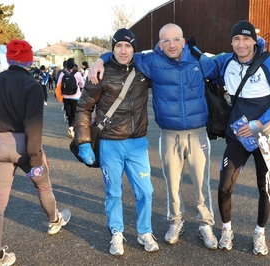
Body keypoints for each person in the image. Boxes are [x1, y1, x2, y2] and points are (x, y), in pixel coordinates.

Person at [89, 23, 219, 250]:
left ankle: (205, 224)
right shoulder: (150, 61)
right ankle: (175, 221)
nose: (171, 44)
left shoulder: (199, 61)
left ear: (183, 41)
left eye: (176, 39)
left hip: (198, 133)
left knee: (202, 183)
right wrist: (101, 58)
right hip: (169, 134)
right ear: (159, 44)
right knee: (172, 183)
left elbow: (223, 65)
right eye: (166, 40)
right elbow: (123, 51)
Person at [0, 39, 71, 266]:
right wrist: (35, 159)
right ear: (29, 60)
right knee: (43, 186)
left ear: (9, 58)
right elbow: (33, 126)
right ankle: (54, 220)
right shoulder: (32, 86)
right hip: (26, 147)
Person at [214, 20, 270, 255]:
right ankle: (226, 229)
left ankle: (260, 233)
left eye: (246, 39)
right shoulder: (224, 62)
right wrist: (106, 60)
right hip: (237, 136)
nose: (241, 44)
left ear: (253, 41)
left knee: (265, 187)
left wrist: (258, 124)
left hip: (266, 135)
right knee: (224, 187)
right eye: (236, 39)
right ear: (231, 42)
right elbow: (195, 61)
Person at [75, 28, 158, 256]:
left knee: (146, 192)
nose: (123, 50)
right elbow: (84, 108)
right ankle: (117, 233)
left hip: (137, 143)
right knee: (114, 192)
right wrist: (83, 142)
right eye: (119, 46)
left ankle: (144, 232)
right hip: (110, 143)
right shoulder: (99, 74)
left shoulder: (143, 70)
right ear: (112, 48)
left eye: (128, 46)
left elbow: (164, 53)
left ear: (134, 49)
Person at [56, 58, 85, 138]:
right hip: (76, 96)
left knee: (69, 114)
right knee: (76, 113)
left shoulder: (62, 73)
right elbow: (82, 84)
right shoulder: (77, 73)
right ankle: (72, 128)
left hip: (65, 96)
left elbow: (58, 84)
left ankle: (71, 130)